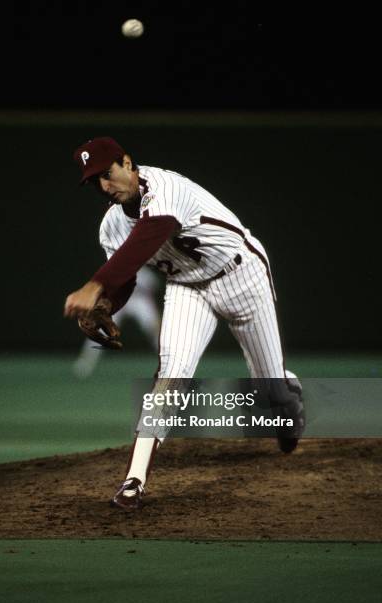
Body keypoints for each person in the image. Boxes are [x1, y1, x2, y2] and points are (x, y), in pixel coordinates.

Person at [64, 136, 305, 511]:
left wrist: (94, 286)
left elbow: (148, 237)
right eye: (95, 182)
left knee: (270, 390)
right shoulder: (111, 226)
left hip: (241, 273)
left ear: (128, 163)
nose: (105, 186)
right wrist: (106, 306)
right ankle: (134, 481)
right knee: (170, 375)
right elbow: (125, 279)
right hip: (187, 287)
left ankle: (288, 400)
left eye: (108, 174)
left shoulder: (165, 188)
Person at [72, 266, 161, 377]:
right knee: (99, 330)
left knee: (155, 330)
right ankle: (86, 362)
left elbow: (150, 295)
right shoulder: (118, 270)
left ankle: (166, 361)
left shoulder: (146, 275)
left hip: (140, 301)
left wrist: (154, 312)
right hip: (120, 300)